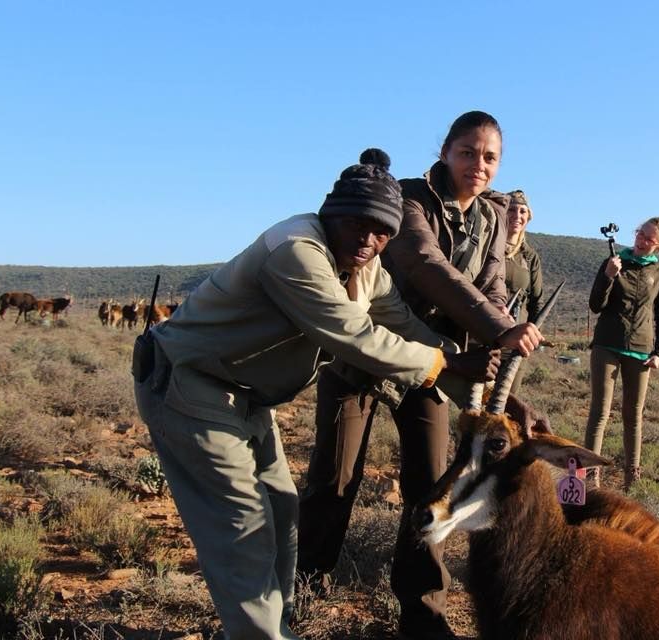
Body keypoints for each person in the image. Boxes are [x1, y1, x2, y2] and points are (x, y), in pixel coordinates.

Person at [133, 149, 500, 640]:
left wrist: (472, 386)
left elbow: (403, 324)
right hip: (190, 388)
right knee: (244, 531)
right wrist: (450, 362)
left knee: (283, 516)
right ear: (332, 214)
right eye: (357, 224)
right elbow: (354, 335)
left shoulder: (365, 266)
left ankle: (265, 628)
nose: (369, 240)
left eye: (382, 232)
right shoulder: (296, 250)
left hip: (243, 397)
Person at [297, 111, 542, 640]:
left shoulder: (495, 217)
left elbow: (494, 284)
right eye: (468, 152)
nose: (479, 165)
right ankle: (303, 593)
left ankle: (423, 615)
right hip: (370, 349)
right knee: (334, 478)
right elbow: (426, 265)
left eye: (490, 157)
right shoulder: (408, 198)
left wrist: (499, 343)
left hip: (437, 364)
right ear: (446, 149)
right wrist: (501, 327)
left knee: (428, 485)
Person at [584, 217, 659, 489]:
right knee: (600, 412)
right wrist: (608, 276)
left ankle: (632, 480)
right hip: (606, 345)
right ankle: (589, 476)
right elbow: (595, 305)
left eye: (649, 238)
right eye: (640, 233)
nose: (641, 240)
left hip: (641, 351)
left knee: (633, 415)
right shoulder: (613, 262)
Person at [503, 189, 544, 393]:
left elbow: (536, 300)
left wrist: (532, 336)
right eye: (511, 210)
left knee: (507, 400)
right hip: (484, 333)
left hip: (517, 340)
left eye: (522, 212)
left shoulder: (530, 257)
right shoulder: (488, 245)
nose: (516, 216)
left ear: (528, 217)